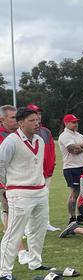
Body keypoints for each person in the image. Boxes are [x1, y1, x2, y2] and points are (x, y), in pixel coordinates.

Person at [0, 107, 52, 280]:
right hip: (20, 193)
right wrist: (8, 185)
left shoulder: (40, 140)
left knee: (38, 230)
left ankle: (35, 262)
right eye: (32, 120)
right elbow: (1, 164)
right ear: (20, 123)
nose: (37, 123)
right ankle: (3, 271)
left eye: (37, 119)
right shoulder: (11, 141)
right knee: (14, 232)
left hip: (40, 191)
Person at [0, 105, 30, 265]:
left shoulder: (19, 135)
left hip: (21, 183)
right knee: (12, 216)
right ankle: (20, 251)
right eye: (12, 118)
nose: (16, 120)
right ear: (2, 119)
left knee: (12, 216)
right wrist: (5, 184)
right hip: (6, 184)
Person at [27, 104, 59, 231]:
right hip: (32, 173)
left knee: (44, 199)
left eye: (39, 114)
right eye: (35, 114)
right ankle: (27, 227)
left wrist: (51, 166)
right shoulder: (25, 132)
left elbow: (51, 150)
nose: (38, 116)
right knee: (29, 200)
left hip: (46, 172)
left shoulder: (46, 131)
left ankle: (45, 223)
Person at [58, 113, 83, 224]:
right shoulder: (64, 136)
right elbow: (72, 150)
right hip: (71, 168)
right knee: (74, 193)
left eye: (76, 122)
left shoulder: (78, 135)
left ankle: (79, 216)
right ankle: (72, 218)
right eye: (73, 122)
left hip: (82, 167)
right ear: (66, 123)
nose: (76, 124)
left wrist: (80, 146)